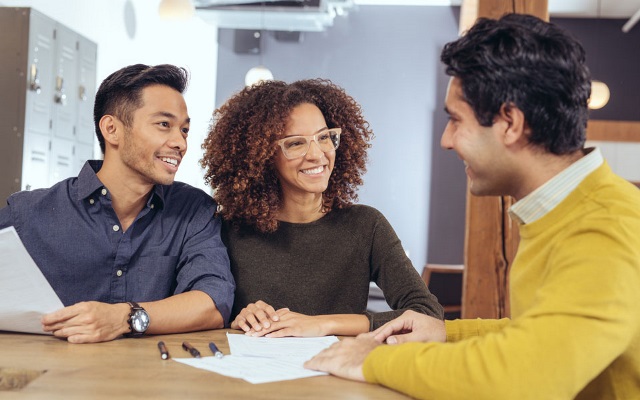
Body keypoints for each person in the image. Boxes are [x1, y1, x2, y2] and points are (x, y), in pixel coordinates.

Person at [305, 13, 640, 400]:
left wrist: (369, 361)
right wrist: (446, 332)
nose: (447, 140)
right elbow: (545, 336)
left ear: (510, 123)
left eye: (456, 120)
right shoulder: (568, 211)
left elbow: (524, 376)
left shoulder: (604, 226)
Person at [0, 64, 235, 344]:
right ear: (112, 129)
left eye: (184, 130)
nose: (180, 143)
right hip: (55, 380)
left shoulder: (194, 210)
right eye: (164, 125)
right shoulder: (29, 213)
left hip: (155, 380)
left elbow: (214, 302)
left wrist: (125, 317)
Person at [200, 79, 443, 338]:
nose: (317, 154)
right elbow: (206, 312)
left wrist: (322, 324)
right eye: (295, 143)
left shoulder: (366, 226)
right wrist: (237, 318)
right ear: (261, 156)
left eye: (324, 137)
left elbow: (427, 314)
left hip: (336, 372)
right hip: (250, 374)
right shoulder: (228, 230)